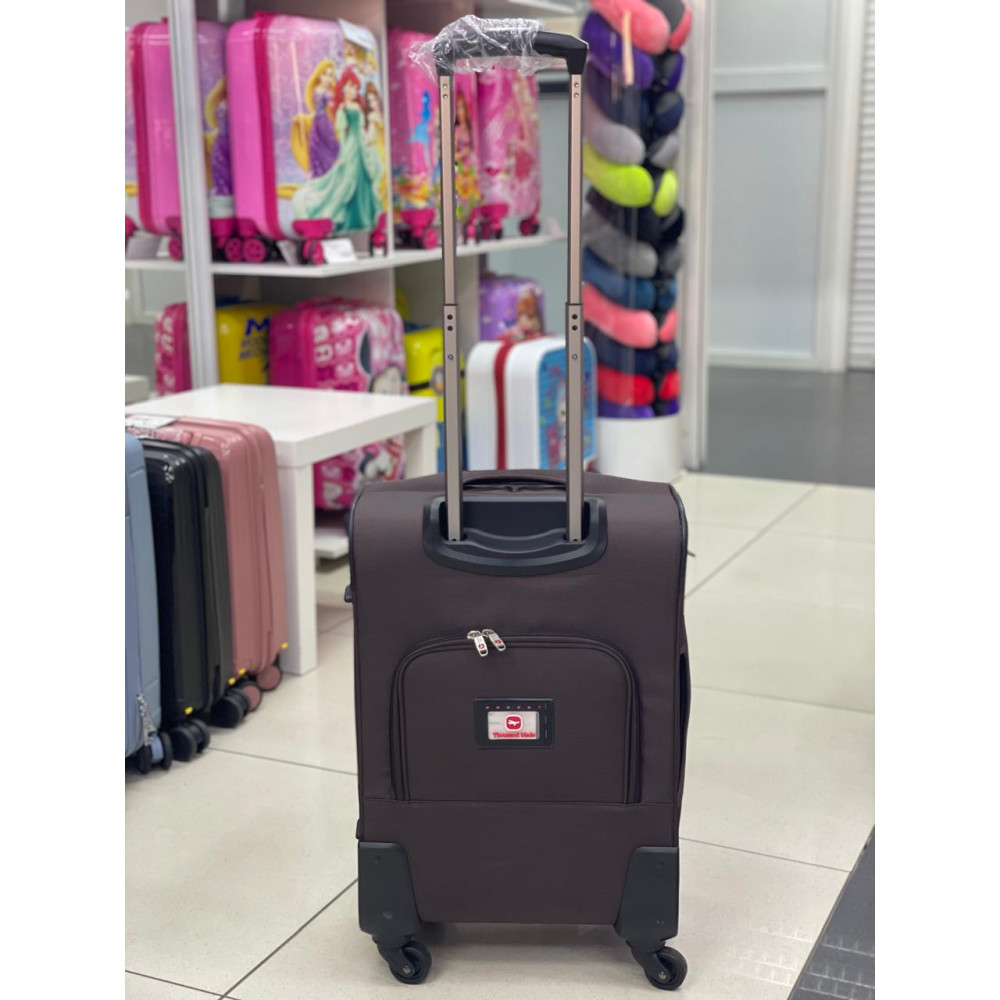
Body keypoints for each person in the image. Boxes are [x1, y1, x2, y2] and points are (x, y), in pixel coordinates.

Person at [292, 68, 383, 232]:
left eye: (355, 87)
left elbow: (361, 128)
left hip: (361, 145)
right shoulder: (343, 108)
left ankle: (366, 216)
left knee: (363, 177)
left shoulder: (357, 106)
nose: (352, 90)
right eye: (349, 86)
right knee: (348, 179)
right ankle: (347, 217)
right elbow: (341, 132)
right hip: (350, 145)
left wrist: (368, 139)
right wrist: (342, 152)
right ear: (343, 88)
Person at [291, 60, 340, 178]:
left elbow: (333, 105)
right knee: (317, 147)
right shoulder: (318, 90)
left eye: (330, 75)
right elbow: (317, 109)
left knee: (330, 145)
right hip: (318, 122)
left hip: (324, 122)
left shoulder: (328, 92)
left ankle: (332, 174)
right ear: (319, 75)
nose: (327, 78)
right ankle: (322, 175)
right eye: (325, 74)